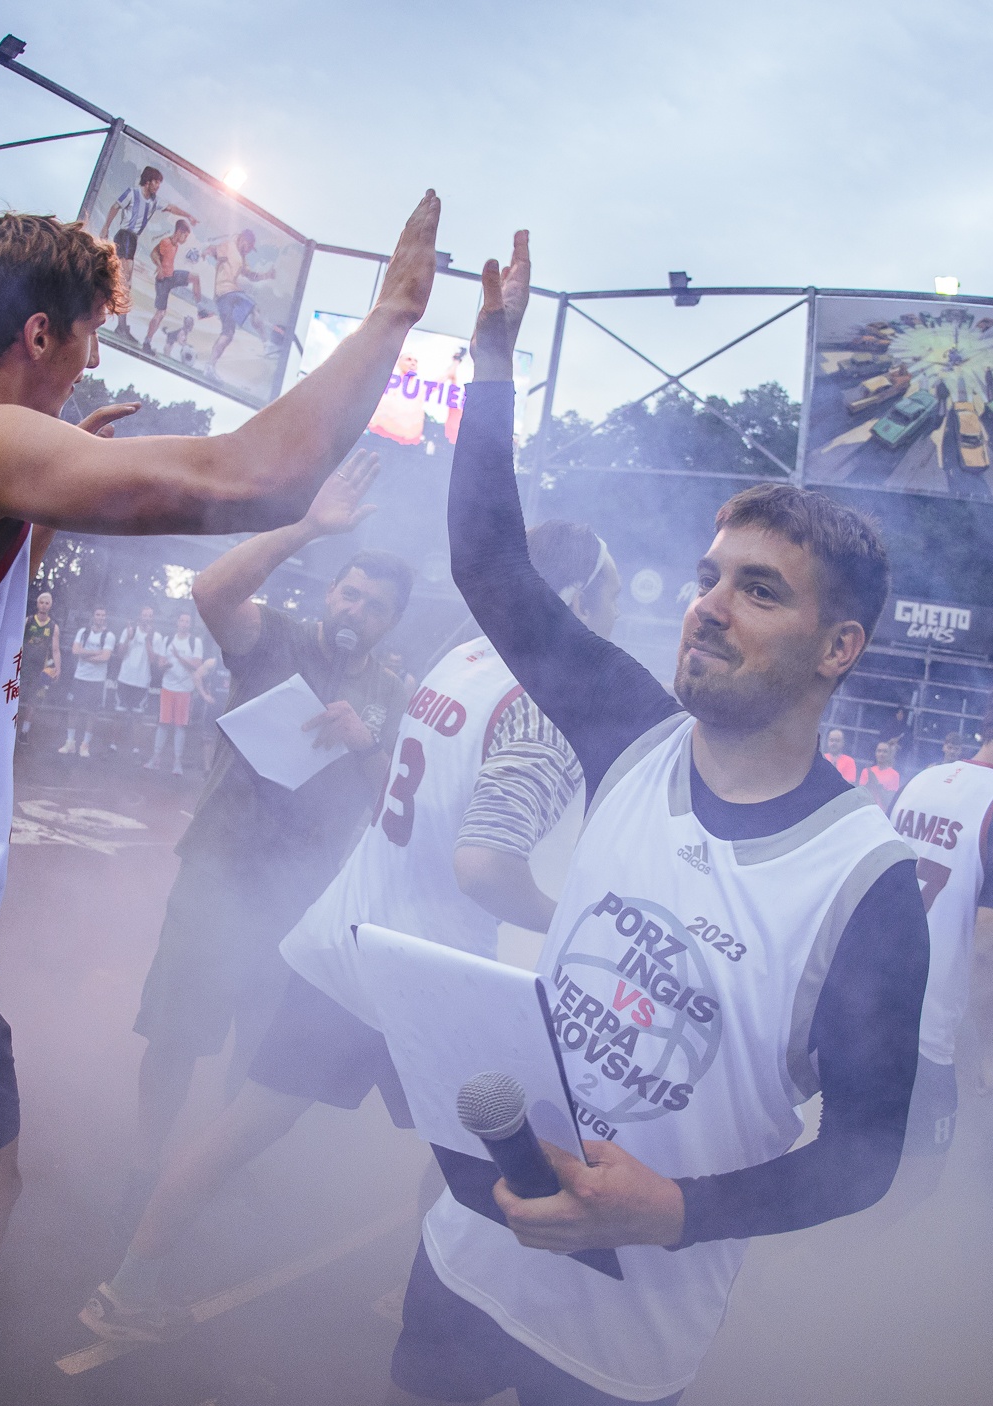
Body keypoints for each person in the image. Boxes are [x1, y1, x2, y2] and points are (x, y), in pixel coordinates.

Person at [0, 195, 441, 1406]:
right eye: (84, 343)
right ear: (37, 335)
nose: (88, 369)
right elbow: (252, 472)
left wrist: (45, 499)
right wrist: (392, 317)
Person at [391, 229, 928, 1406]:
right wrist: (493, 361)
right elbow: (490, 564)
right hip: (469, 1260)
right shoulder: (632, 735)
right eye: (707, 579)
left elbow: (865, 1158)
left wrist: (677, 1211)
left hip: (620, 1356)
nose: (709, 608)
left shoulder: (867, 885)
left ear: (840, 647)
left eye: (759, 590)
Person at [83, 518, 619, 1343]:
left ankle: (125, 1289)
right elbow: (483, 868)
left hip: (348, 937)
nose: (615, 609)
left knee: (249, 1121)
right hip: (432, 971)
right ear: (577, 598)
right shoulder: (538, 702)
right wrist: (570, 922)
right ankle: (427, 1307)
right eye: (608, 591)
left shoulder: (461, 660)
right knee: (479, 1154)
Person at [128, 448, 415, 1189]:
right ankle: (145, 1165)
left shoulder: (394, 695)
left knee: (260, 1051)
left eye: (374, 607)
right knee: (176, 1034)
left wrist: (365, 743)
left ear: (391, 623)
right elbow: (211, 591)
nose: (356, 611)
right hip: (218, 871)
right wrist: (309, 526)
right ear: (331, 594)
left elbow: (397, 805)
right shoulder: (276, 639)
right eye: (350, 595)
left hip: (303, 898)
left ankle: (211, 1178)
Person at [886, 669, 993, 1198]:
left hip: (864, 1006)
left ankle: (817, 1242)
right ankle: (837, 1249)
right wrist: (990, 1048)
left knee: (848, 1159)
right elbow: (990, 942)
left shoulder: (921, 781)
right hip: (924, 1032)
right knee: (917, 1183)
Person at [101, 166, 195, 337]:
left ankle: (121, 325)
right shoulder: (132, 193)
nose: (158, 186)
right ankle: (119, 324)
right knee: (124, 282)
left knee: (124, 282)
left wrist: (188, 215)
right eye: (156, 182)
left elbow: (171, 207)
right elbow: (115, 207)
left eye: (159, 183)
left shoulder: (154, 201)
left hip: (132, 239)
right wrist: (106, 227)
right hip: (125, 235)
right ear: (148, 181)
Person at [205, 229, 276, 375]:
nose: (249, 251)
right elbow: (214, 250)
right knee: (254, 308)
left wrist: (267, 275)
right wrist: (207, 251)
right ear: (243, 240)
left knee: (228, 334)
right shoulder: (228, 245)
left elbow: (251, 275)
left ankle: (209, 366)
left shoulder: (242, 257)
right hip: (227, 291)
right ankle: (267, 345)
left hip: (224, 296)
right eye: (249, 247)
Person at [146, 611, 207, 773]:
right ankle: (155, 758)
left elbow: (197, 665)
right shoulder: (167, 640)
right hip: (168, 687)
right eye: (182, 620)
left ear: (190, 625)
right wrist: (166, 665)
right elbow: (160, 664)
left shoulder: (195, 642)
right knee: (163, 724)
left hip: (185, 690)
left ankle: (177, 763)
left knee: (180, 726)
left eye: (187, 621)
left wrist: (179, 657)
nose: (184, 624)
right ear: (177, 622)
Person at [60, 606, 116, 756]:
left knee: (92, 713)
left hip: (97, 680)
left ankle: (85, 745)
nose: (100, 617)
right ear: (93, 616)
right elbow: (75, 651)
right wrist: (96, 652)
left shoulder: (109, 636)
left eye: (103, 615)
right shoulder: (83, 632)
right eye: (98, 614)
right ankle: (70, 742)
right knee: (73, 710)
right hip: (80, 677)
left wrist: (85, 655)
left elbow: (105, 657)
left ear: (106, 617)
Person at [113, 605, 165, 753]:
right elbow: (120, 654)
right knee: (119, 713)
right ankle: (113, 744)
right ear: (140, 616)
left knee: (138, 716)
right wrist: (128, 638)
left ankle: (136, 749)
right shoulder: (129, 631)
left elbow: (153, 660)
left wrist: (148, 639)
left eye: (150, 616)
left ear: (153, 619)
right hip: (125, 678)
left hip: (142, 682)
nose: (147, 618)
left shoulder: (157, 637)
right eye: (145, 615)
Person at [142, 219, 196, 352]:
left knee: (193, 277)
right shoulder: (166, 242)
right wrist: (159, 267)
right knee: (160, 313)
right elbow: (154, 253)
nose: (185, 239)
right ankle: (147, 342)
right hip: (163, 280)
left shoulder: (175, 246)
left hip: (170, 278)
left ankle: (199, 306)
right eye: (185, 236)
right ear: (179, 232)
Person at [17, 591, 61, 747]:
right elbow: (18, 641)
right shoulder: (28, 621)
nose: (44, 605)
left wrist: (58, 668)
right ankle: (9, 728)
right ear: (37, 604)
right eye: (41, 602)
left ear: (50, 605)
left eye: (47, 603)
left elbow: (55, 649)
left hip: (39, 670)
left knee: (33, 702)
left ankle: (24, 732)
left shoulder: (53, 626)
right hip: (22, 667)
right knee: (15, 699)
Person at [855, 736, 901, 814]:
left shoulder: (894, 775)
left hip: (882, 813)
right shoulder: (866, 771)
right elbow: (861, 796)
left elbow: (890, 800)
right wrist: (869, 783)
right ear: (875, 753)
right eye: (879, 751)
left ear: (889, 755)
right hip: (866, 811)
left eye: (885, 752)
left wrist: (877, 784)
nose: (881, 754)